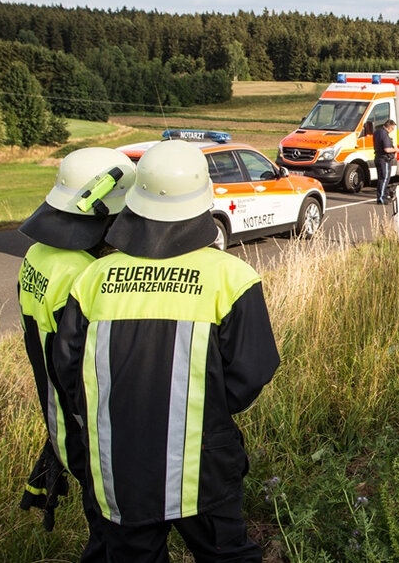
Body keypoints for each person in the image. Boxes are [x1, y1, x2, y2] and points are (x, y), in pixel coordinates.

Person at [54, 139, 280, 563]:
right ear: (202, 201)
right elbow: (253, 370)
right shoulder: (231, 278)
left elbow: (68, 369)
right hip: (202, 463)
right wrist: (204, 407)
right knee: (225, 554)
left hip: (118, 464)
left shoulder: (94, 279)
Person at [17, 147, 136, 560]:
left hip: (60, 425)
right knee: (112, 542)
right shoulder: (85, 275)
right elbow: (88, 367)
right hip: (89, 434)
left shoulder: (38, 256)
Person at [373, 119, 398, 204]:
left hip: (378, 157)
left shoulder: (377, 132)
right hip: (384, 159)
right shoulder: (384, 134)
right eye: (393, 129)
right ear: (389, 127)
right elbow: (387, 149)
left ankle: (382, 196)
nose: (392, 130)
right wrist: (396, 149)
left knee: (381, 179)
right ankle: (382, 198)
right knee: (384, 179)